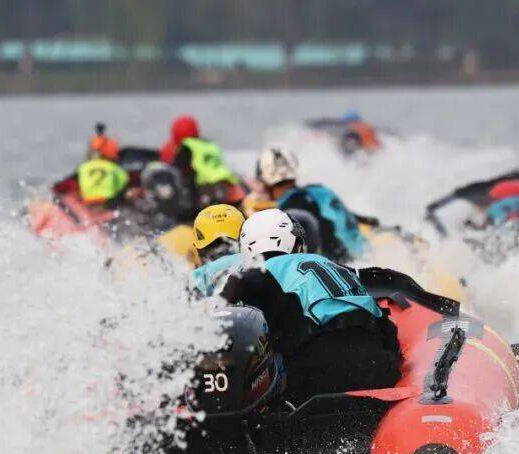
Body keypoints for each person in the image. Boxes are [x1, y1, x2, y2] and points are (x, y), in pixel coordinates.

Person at [215, 208, 401, 400]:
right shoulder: (329, 264)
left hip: (321, 378)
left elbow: (220, 317)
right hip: (382, 365)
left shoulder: (253, 276)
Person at [159, 115, 241, 210]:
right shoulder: (210, 145)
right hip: (228, 187)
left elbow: (176, 171)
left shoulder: (187, 148)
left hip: (207, 191)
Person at [241, 146, 301, 217]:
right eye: (280, 184)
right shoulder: (253, 205)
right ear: (266, 185)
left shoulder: (304, 199)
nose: (287, 189)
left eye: (291, 182)